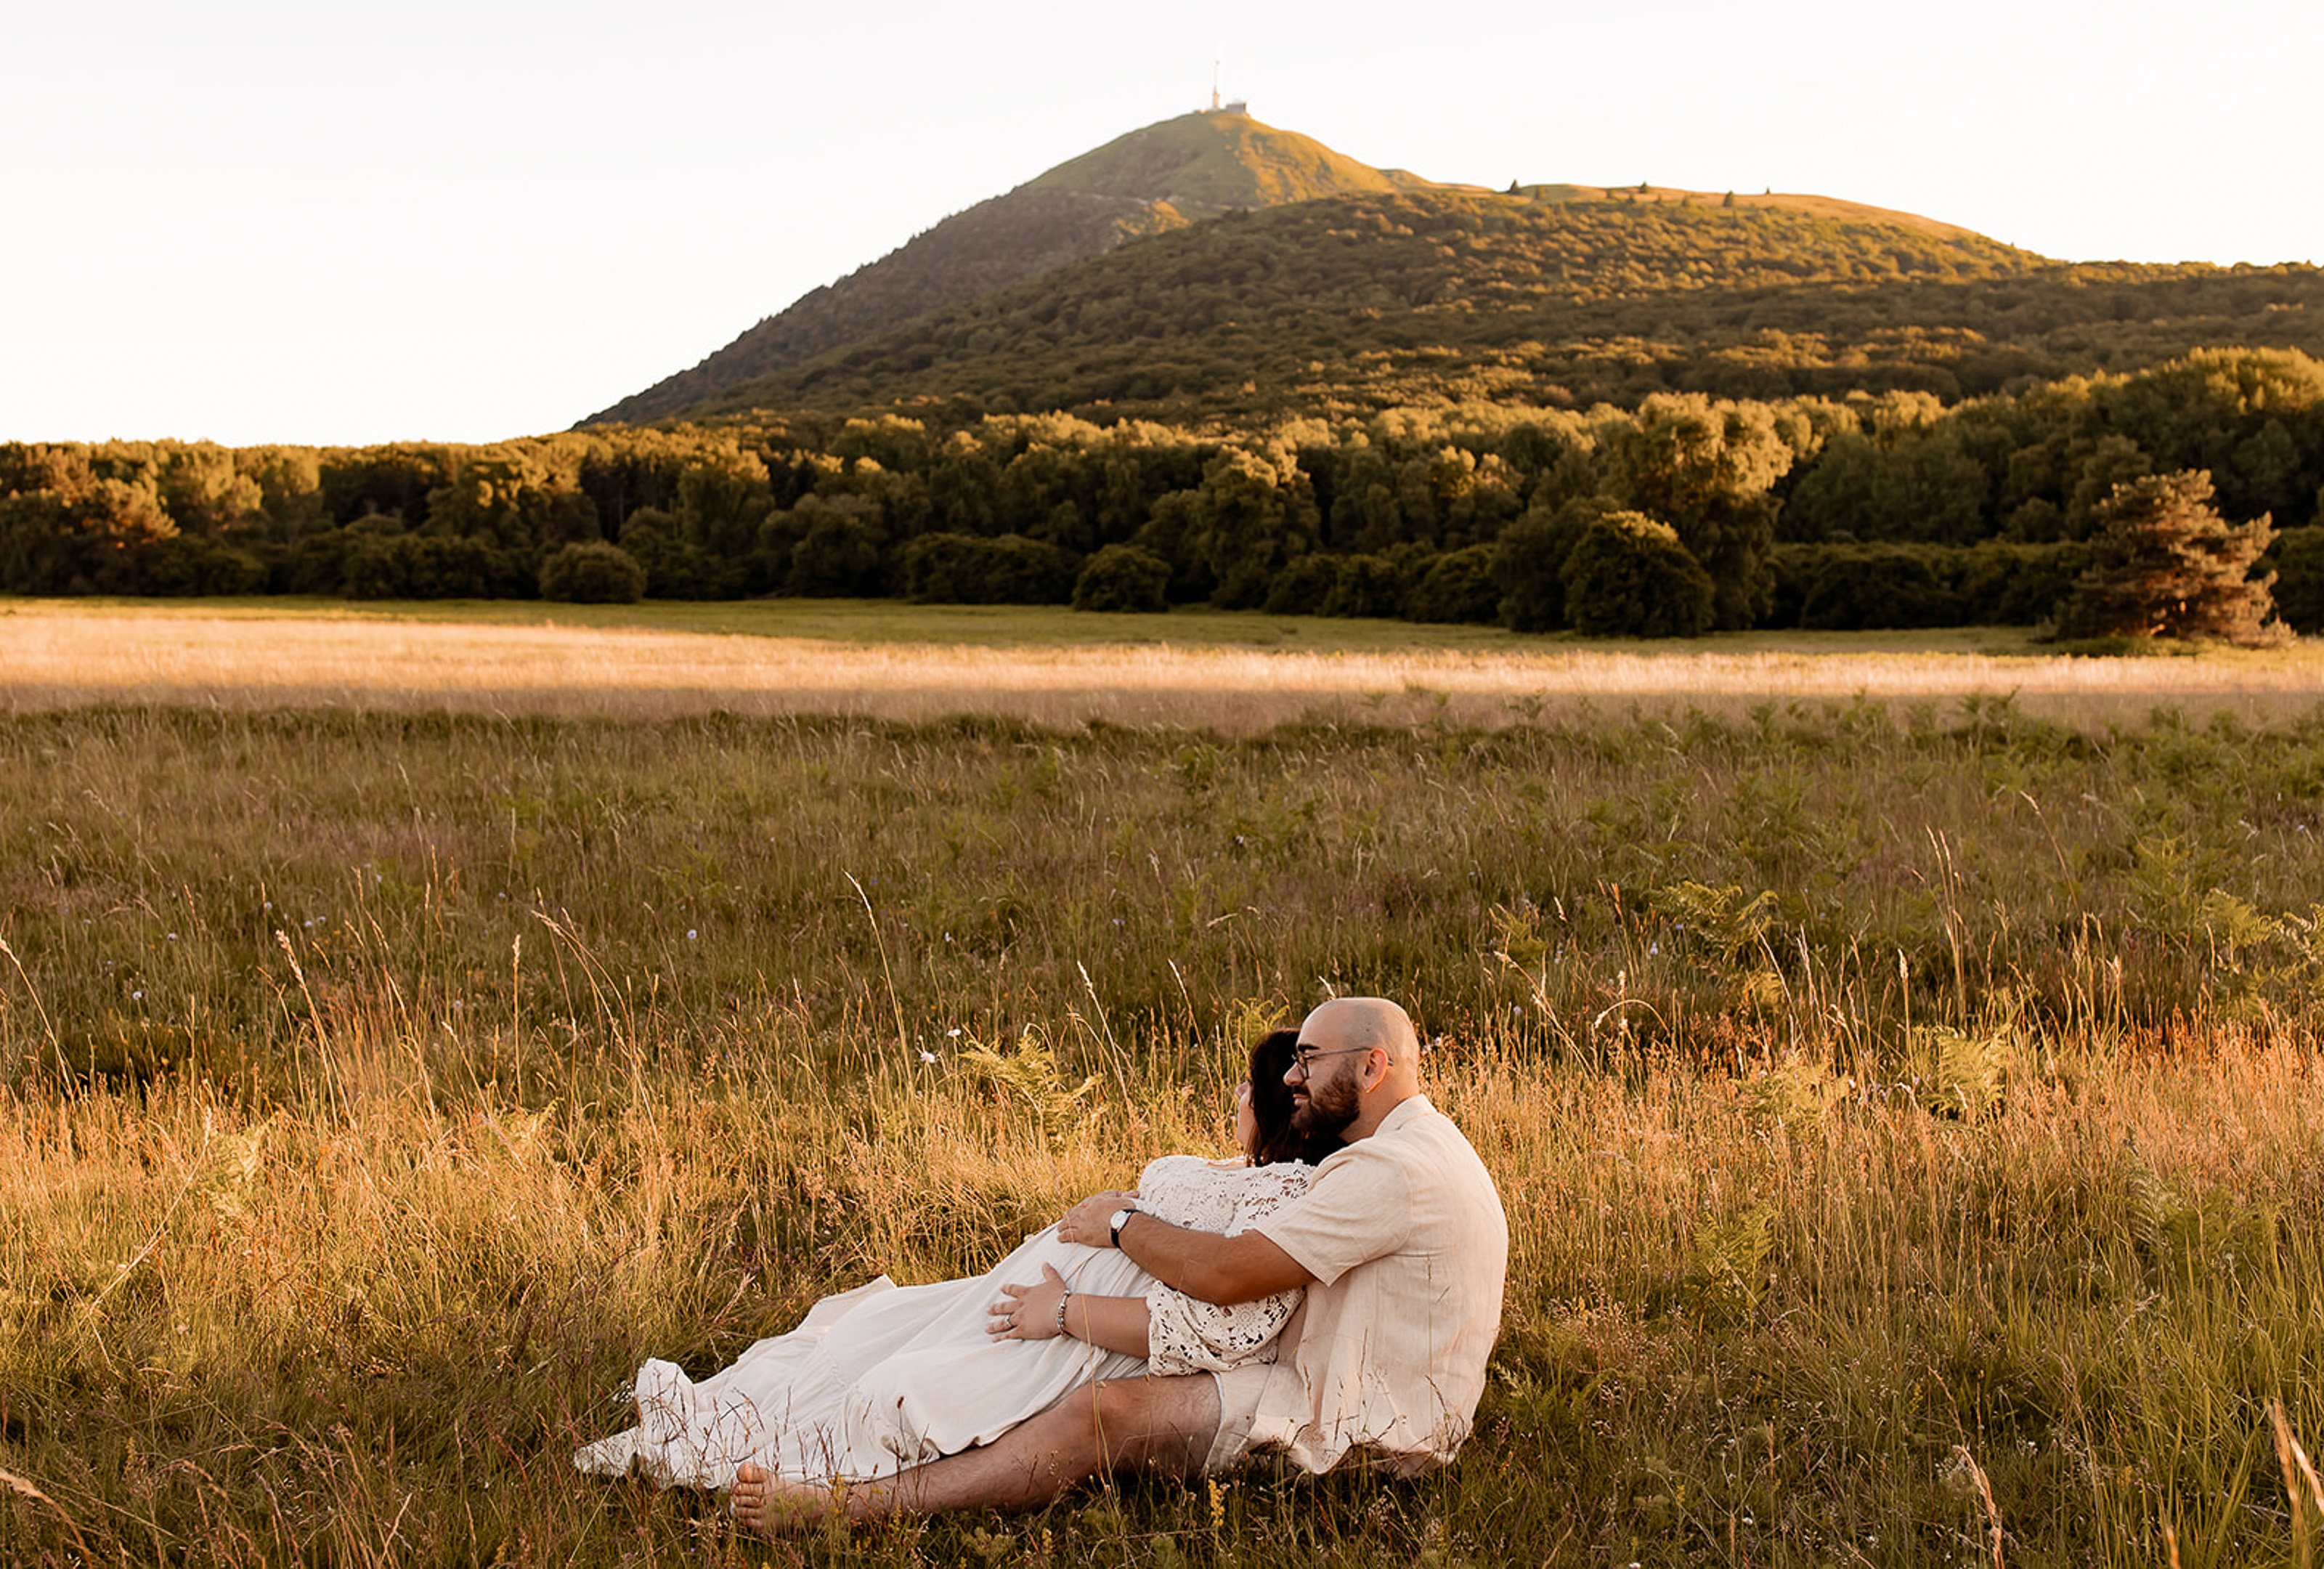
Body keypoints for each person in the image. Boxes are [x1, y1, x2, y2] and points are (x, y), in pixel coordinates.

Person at [731, 995, 1508, 1532]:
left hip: (1361, 1420)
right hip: (1334, 1376)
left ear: (1372, 1067)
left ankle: (849, 1509)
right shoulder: (1401, 1147)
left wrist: (1119, 1225)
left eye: (1307, 1059)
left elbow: (1228, 1275)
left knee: (1102, 1414)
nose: (1290, 1077)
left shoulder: (1390, 1173)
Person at [574, 1030, 1338, 1491]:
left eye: (1249, 1084)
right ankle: (715, 1417)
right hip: (1014, 1299)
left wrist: (1064, 1308)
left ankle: (784, 1480)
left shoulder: (1285, 1195)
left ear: (1281, 1108)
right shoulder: (1238, 1173)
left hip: (1061, 1342)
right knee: (868, 1328)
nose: (1235, 1095)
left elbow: (1221, 1328)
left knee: (892, 1395)